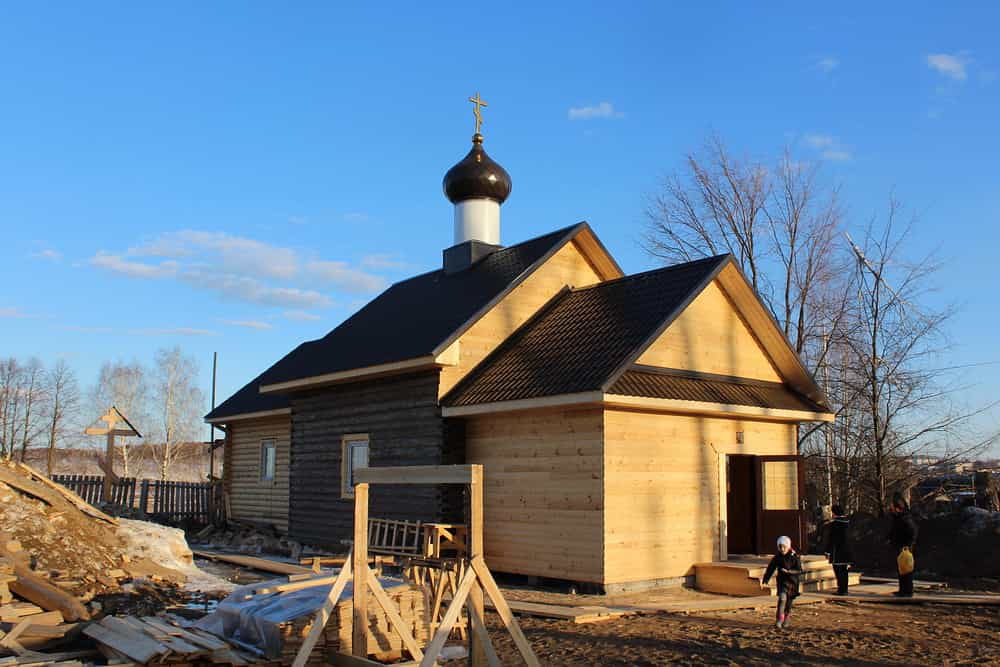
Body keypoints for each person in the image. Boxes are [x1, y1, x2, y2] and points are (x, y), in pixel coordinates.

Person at [762, 535, 803, 629]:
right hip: (782, 582)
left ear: (788, 546)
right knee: (782, 599)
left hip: (792, 583)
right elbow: (771, 568)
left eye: (784, 546)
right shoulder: (777, 557)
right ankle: (779, 619)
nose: (782, 549)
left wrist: (789, 572)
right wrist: (766, 579)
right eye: (780, 547)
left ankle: (786, 617)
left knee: (788, 603)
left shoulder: (795, 556)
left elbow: (799, 570)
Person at [888, 493, 917, 597]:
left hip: (905, 547)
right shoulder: (897, 518)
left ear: (897, 508)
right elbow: (894, 531)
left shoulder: (905, 518)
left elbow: (913, 532)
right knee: (901, 569)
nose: (890, 508)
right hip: (899, 545)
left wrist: (908, 545)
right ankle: (902, 590)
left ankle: (908, 591)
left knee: (906, 570)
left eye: (892, 506)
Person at [824, 504, 853, 595]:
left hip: (837, 551)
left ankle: (841, 589)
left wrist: (827, 551)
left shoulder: (835, 524)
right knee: (844, 571)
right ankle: (845, 589)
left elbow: (831, 539)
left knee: (838, 570)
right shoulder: (848, 523)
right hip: (847, 551)